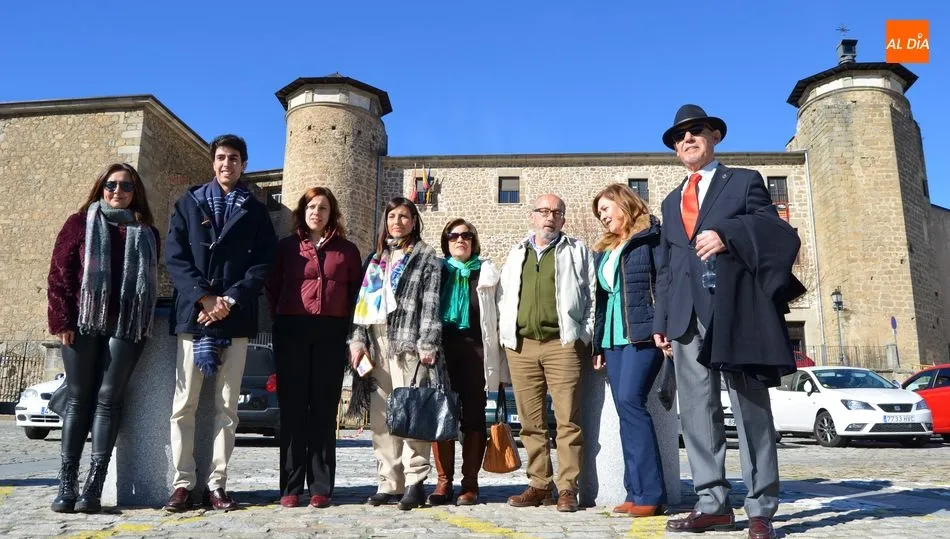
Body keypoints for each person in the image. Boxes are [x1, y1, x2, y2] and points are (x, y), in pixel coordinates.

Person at [653, 105, 802, 539]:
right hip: (685, 317)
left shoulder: (744, 180)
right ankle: (713, 504)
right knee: (697, 414)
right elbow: (667, 265)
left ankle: (760, 508)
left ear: (714, 136)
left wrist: (728, 235)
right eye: (678, 136)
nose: (686, 139)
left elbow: (772, 229)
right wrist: (662, 318)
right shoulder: (668, 199)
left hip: (736, 311)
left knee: (749, 408)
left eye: (695, 131)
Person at [164, 134, 278, 512]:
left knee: (228, 407)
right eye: (220, 158)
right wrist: (204, 297)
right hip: (194, 315)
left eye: (233, 158)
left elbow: (263, 262)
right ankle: (182, 483)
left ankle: (217, 484)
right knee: (185, 404)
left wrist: (229, 299)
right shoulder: (188, 203)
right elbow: (175, 257)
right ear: (213, 163)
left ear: (243, 164)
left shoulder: (257, 211)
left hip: (235, 316)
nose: (226, 164)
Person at [46, 163, 160, 513]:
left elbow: (153, 281)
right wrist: (61, 320)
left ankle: (93, 486)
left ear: (135, 192)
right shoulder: (79, 223)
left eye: (125, 186)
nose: (117, 191)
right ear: (100, 188)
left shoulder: (146, 232)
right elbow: (59, 273)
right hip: (82, 322)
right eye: (111, 185)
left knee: (109, 398)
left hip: (127, 324)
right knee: (79, 399)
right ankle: (67, 484)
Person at [265, 187, 362, 508]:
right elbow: (273, 288)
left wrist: (351, 336)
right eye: (310, 206)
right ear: (302, 211)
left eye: (322, 207)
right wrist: (281, 321)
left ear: (331, 213)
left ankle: (321, 486)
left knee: (322, 410)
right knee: (293, 411)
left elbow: (354, 296)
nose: (316, 212)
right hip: (292, 328)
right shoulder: (285, 248)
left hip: (331, 332)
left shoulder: (347, 251)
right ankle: (290, 486)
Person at [497, 194, 594, 513]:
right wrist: (506, 334)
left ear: (563, 219)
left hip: (563, 344)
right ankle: (540, 484)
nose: (549, 217)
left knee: (568, 421)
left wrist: (583, 335)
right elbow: (504, 296)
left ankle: (567, 488)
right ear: (533, 216)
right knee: (530, 422)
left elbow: (591, 295)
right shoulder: (515, 252)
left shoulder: (577, 250)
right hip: (522, 346)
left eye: (556, 213)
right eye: (544, 211)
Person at [346, 197, 442, 511]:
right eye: (392, 216)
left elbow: (430, 303)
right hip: (377, 343)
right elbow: (362, 306)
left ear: (414, 221)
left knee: (413, 413)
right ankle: (390, 481)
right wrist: (358, 342)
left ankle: (415, 480)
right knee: (382, 417)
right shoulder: (377, 258)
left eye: (404, 216)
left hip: (409, 344)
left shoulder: (426, 255)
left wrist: (428, 342)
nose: (397, 221)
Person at [590, 183, 666, 517]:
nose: (602, 217)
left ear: (624, 204)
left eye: (605, 209)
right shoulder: (606, 249)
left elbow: (664, 282)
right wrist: (598, 345)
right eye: (599, 213)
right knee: (624, 411)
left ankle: (651, 492)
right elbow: (603, 300)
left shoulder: (650, 237)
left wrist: (664, 326)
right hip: (613, 341)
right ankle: (634, 490)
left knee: (633, 405)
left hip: (642, 336)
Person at [428, 219, 509, 506]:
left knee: (474, 418)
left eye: (466, 235)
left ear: (474, 241)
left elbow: (498, 316)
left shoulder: (486, 273)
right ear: (446, 241)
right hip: (442, 353)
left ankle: (470, 484)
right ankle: (443, 482)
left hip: (477, 352)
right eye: (453, 235)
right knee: (443, 418)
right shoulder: (437, 272)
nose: (460, 239)